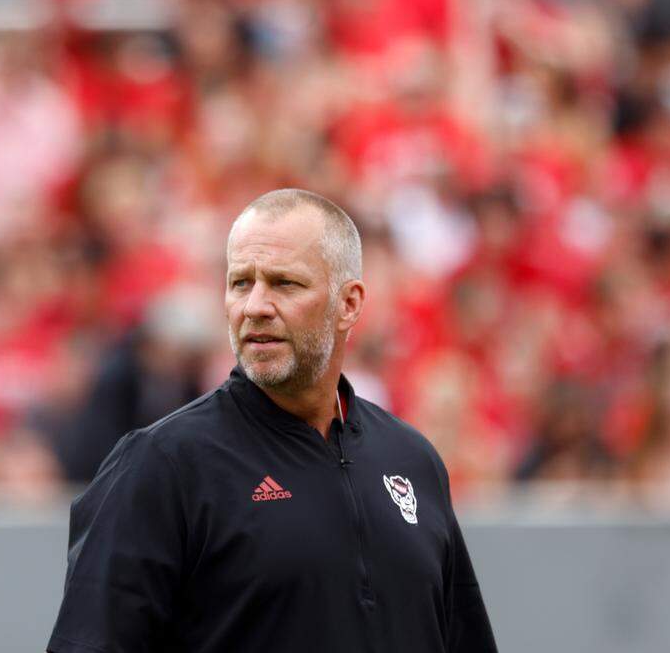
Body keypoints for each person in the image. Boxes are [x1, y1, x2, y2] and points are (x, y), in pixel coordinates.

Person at [47, 188, 497, 652]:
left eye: (284, 283)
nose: (255, 306)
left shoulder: (412, 459)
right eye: (241, 282)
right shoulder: (163, 465)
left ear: (349, 304)